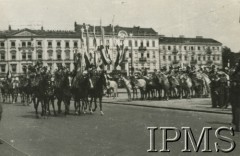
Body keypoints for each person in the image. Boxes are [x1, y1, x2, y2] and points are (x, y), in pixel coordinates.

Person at [230, 61, 240, 132]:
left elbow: (233, 86)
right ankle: (237, 125)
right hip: (236, 94)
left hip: (236, 95)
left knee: (236, 109)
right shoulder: (235, 74)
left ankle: (237, 125)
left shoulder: (235, 74)